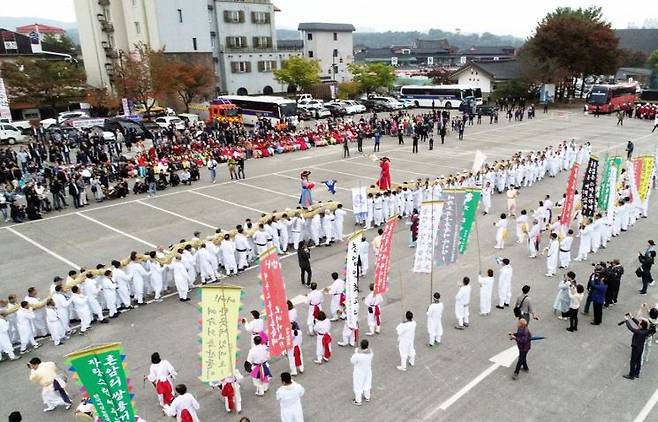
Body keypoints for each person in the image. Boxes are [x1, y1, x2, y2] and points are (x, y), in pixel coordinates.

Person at [623, 314, 650, 380]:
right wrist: (632, 318)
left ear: (641, 326)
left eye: (640, 324)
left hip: (635, 348)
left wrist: (626, 320)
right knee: (638, 361)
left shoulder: (638, 332)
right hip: (640, 347)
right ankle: (637, 373)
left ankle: (631, 375)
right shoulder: (645, 331)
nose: (638, 323)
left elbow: (630, 328)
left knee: (633, 361)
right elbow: (638, 323)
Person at [350, 339, 373, 406]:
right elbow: (364, 352)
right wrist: (357, 352)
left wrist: (356, 352)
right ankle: (367, 396)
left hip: (359, 372)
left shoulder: (358, 355)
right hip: (368, 371)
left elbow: (352, 361)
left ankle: (358, 400)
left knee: (358, 385)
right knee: (367, 383)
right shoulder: (371, 353)